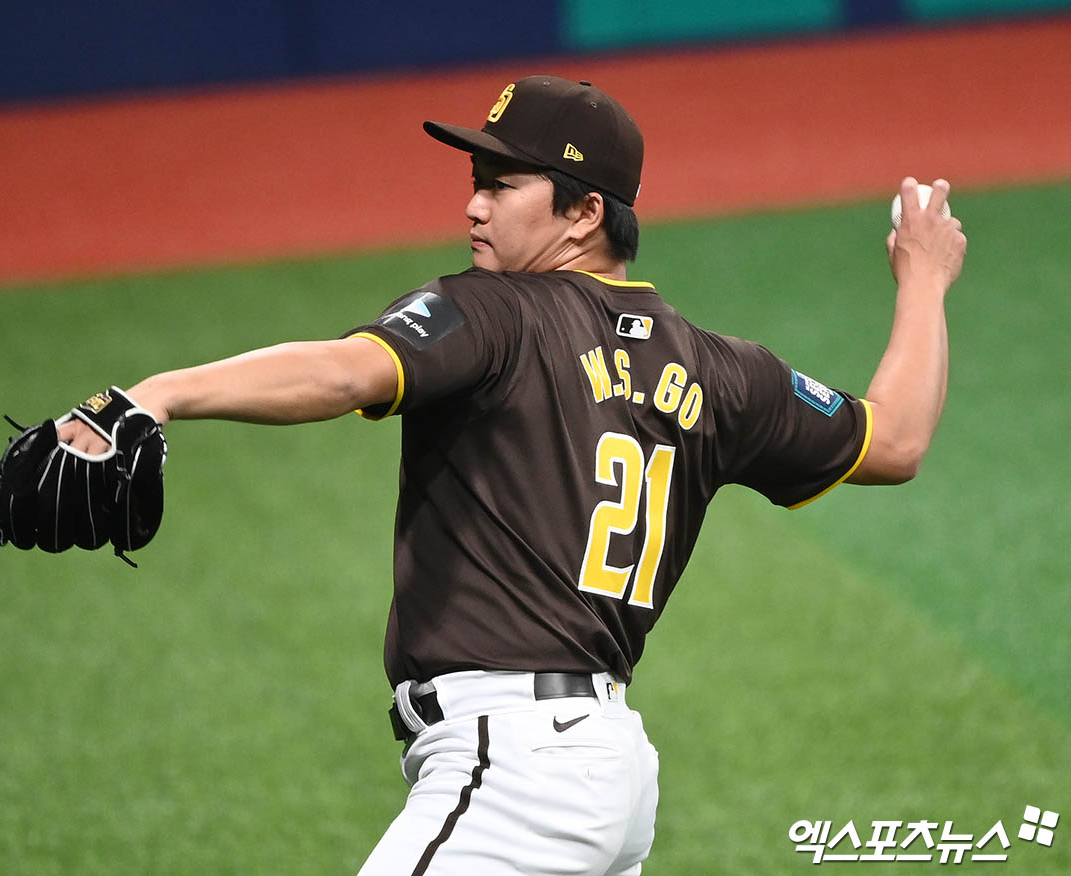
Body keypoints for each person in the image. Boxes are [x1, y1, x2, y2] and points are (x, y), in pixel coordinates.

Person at [58, 75, 966, 874]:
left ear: (584, 213)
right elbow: (894, 442)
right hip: (608, 772)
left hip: (515, 767)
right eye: (474, 183)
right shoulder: (725, 372)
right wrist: (922, 282)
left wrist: (157, 395)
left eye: (503, 184)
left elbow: (343, 372)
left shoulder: (494, 314)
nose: (475, 208)